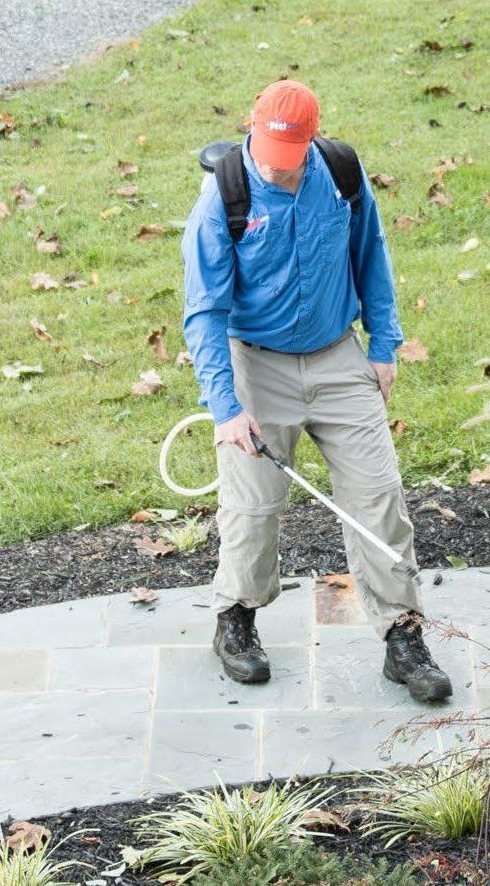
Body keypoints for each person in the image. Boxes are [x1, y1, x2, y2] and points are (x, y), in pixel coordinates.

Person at [180, 79, 452, 703]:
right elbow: (204, 312)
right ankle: (236, 622)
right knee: (253, 507)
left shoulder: (340, 174)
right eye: (271, 157)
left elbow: (370, 257)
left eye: (291, 157)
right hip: (258, 365)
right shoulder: (224, 197)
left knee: (379, 494)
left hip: (336, 358)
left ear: (310, 139)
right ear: (252, 128)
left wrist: (382, 345)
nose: (280, 171)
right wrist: (225, 405)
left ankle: (402, 637)